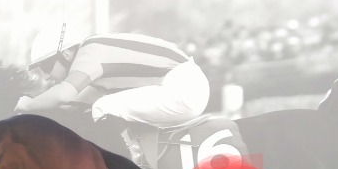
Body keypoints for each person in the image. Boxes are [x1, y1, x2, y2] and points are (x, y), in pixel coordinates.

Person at [15, 26, 210, 128]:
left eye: (46, 67)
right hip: (182, 84)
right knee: (97, 105)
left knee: (104, 107)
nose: (47, 77)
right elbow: (71, 102)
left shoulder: (89, 53)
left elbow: (63, 94)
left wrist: (28, 105)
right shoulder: (91, 54)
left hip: (184, 87)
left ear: (66, 54)